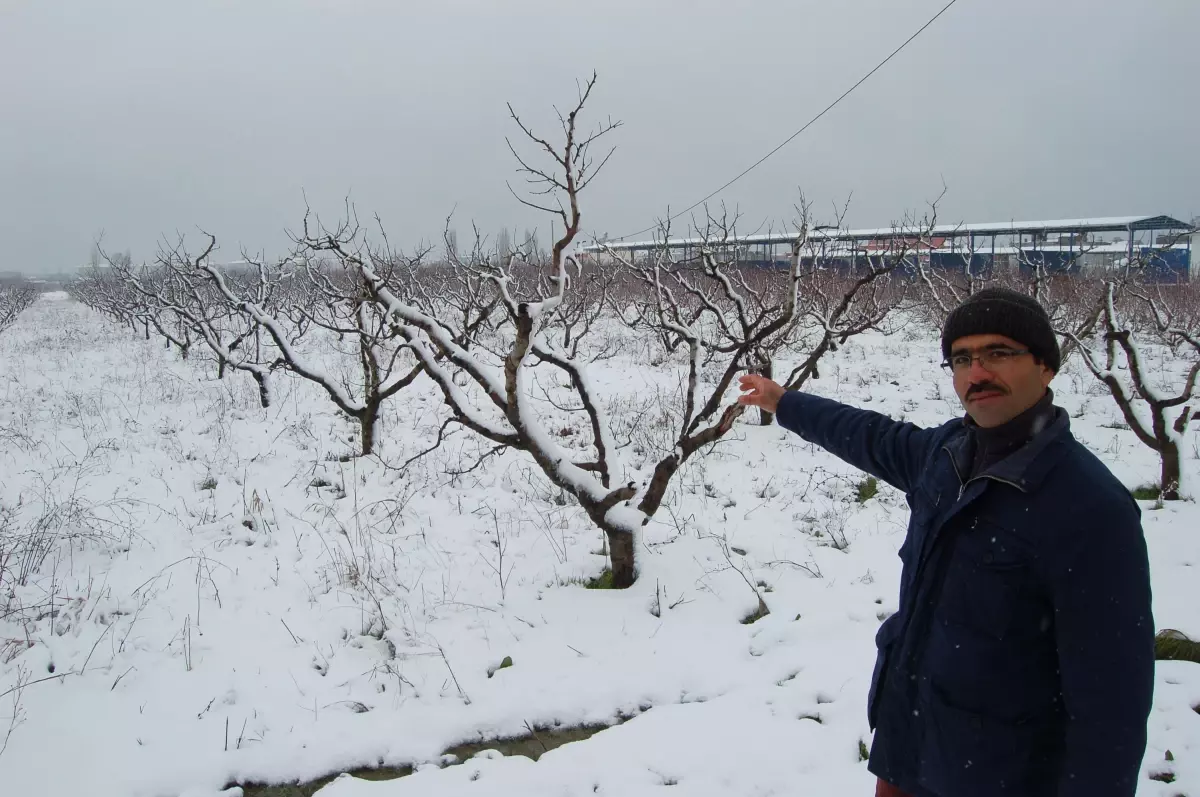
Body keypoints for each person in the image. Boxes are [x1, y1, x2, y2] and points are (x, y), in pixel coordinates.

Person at [737, 288, 1154, 797]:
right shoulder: (946, 453)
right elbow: (869, 435)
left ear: (1045, 367)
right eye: (962, 358)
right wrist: (784, 402)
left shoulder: (1089, 508)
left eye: (999, 353)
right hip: (910, 744)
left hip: (999, 774)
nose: (977, 373)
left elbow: (1111, 706)